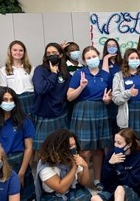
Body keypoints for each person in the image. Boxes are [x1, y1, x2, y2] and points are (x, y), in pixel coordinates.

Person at [0, 87, 36, 201]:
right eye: (5, 100)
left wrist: (21, 173)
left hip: (18, 161)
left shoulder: (24, 120)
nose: (9, 103)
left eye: (12, 100)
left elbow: (29, 148)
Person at [67, 46, 112, 191]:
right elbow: (69, 96)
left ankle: (97, 180)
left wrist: (107, 100)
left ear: (98, 57)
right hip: (83, 111)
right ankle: (83, 180)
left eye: (94, 56)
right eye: (88, 57)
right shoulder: (79, 73)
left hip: (100, 110)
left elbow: (109, 96)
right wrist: (80, 87)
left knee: (99, 150)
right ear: (84, 60)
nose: (92, 59)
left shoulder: (105, 74)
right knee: (84, 151)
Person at [112, 48, 140, 146]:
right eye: (132, 58)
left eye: (137, 58)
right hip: (128, 113)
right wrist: (128, 93)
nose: (135, 60)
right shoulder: (118, 76)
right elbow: (115, 99)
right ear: (127, 60)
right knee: (130, 144)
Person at [32, 43, 71, 151]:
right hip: (43, 114)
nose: (51, 55)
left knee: (62, 147)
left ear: (61, 55)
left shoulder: (66, 73)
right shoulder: (40, 70)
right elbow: (41, 89)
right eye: (48, 53)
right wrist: (53, 74)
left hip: (60, 114)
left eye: (54, 53)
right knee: (44, 149)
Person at [0, 40, 34, 115]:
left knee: (31, 122)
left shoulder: (31, 68)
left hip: (31, 98)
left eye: (21, 50)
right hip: (14, 100)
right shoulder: (4, 70)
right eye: (15, 50)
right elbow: (3, 90)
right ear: (10, 52)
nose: (18, 53)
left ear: (24, 53)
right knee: (17, 122)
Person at [101, 38, 123, 138]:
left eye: (114, 45)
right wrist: (106, 58)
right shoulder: (101, 62)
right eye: (109, 46)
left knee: (120, 128)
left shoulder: (122, 62)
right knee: (109, 130)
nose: (111, 47)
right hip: (107, 98)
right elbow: (104, 76)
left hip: (120, 97)